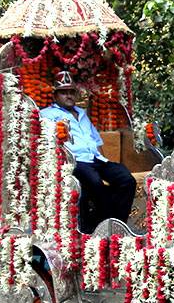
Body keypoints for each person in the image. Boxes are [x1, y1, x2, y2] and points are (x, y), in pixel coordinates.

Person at [40, 71, 136, 232]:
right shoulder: (47, 115)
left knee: (126, 179)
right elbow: (46, 143)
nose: (69, 96)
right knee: (95, 182)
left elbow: (96, 141)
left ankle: (116, 225)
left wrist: (104, 163)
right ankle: (99, 227)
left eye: (71, 92)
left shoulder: (82, 113)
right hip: (74, 161)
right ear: (55, 96)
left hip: (95, 159)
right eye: (64, 92)